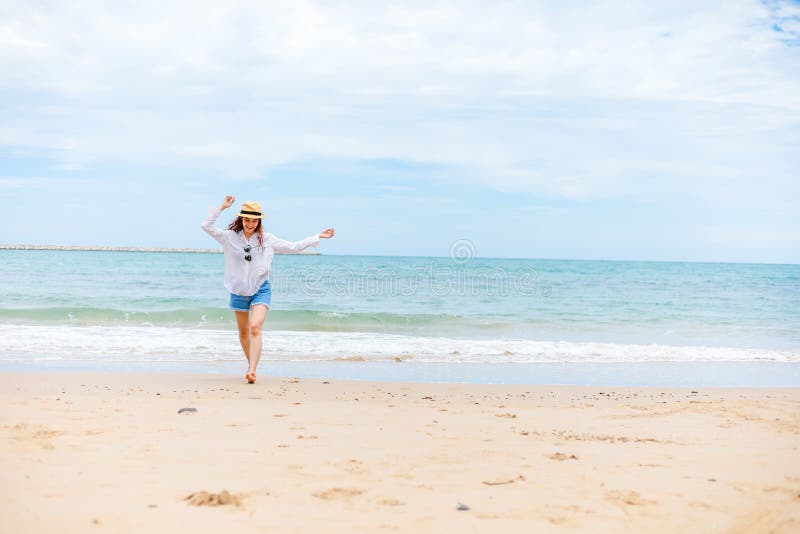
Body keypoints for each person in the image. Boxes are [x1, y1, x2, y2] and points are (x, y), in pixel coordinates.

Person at [202, 195, 334, 383]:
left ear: (259, 221)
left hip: (260, 288)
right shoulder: (229, 237)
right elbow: (206, 226)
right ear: (241, 219)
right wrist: (222, 207)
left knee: (255, 327)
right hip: (238, 290)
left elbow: (293, 247)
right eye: (247, 220)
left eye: (254, 220)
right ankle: (251, 366)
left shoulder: (268, 239)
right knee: (243, 332)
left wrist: (317, 236)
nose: (250, 224)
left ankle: (252, 371)